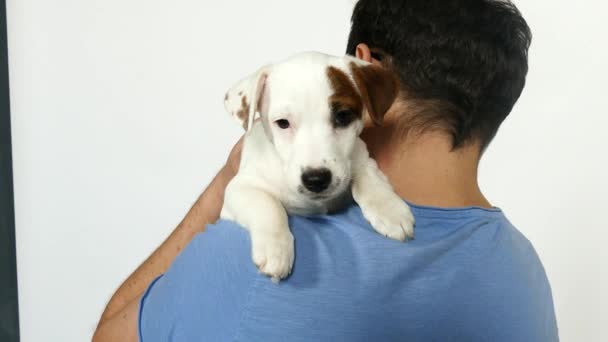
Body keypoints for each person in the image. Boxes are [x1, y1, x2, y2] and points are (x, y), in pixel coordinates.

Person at [93, 0, 559, 341]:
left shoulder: (252, 256)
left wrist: (229, 179)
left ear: (365, 66)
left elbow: (107, 335)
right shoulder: (524, 271)